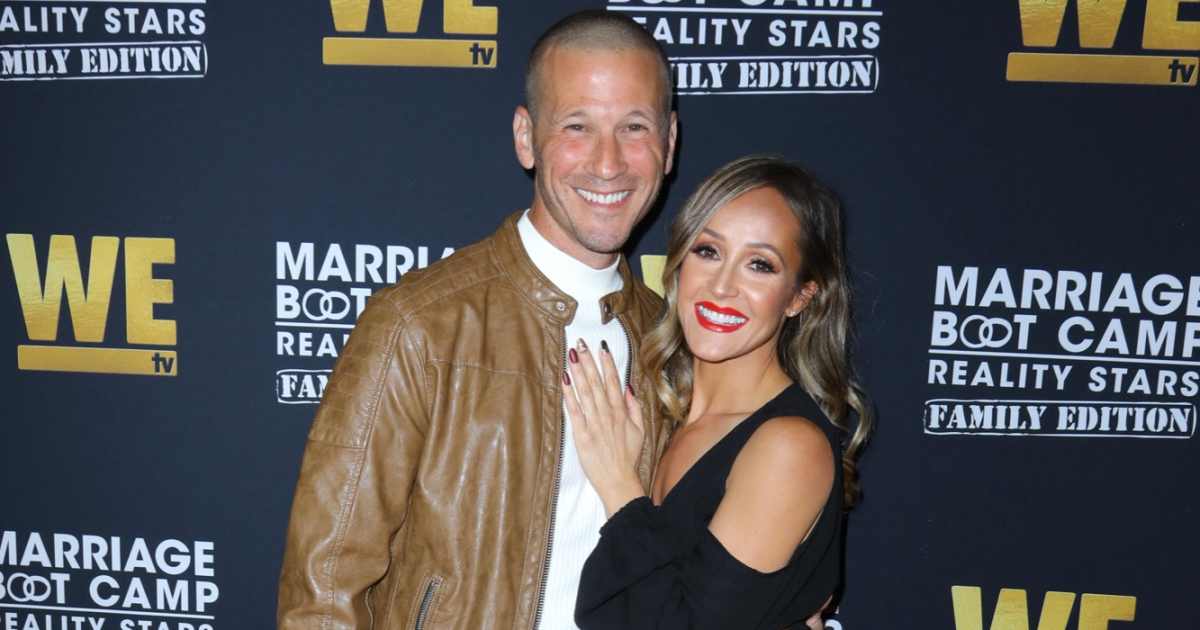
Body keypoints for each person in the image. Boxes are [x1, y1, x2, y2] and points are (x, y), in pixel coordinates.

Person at [276, 11, 677, 630]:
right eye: (577, 126)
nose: (608, 162)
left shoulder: (671, 341)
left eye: (634, 127)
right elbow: (324, 589)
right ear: (526, 137)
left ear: (669, 143)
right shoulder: (418, 325)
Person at [561, 155, 873, 629]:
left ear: (799, 297)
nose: (723, 286)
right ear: (679, 262)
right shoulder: (665, 418)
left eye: (760, 265)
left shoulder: (788, 445)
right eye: (708, 251)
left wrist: (620, 487)